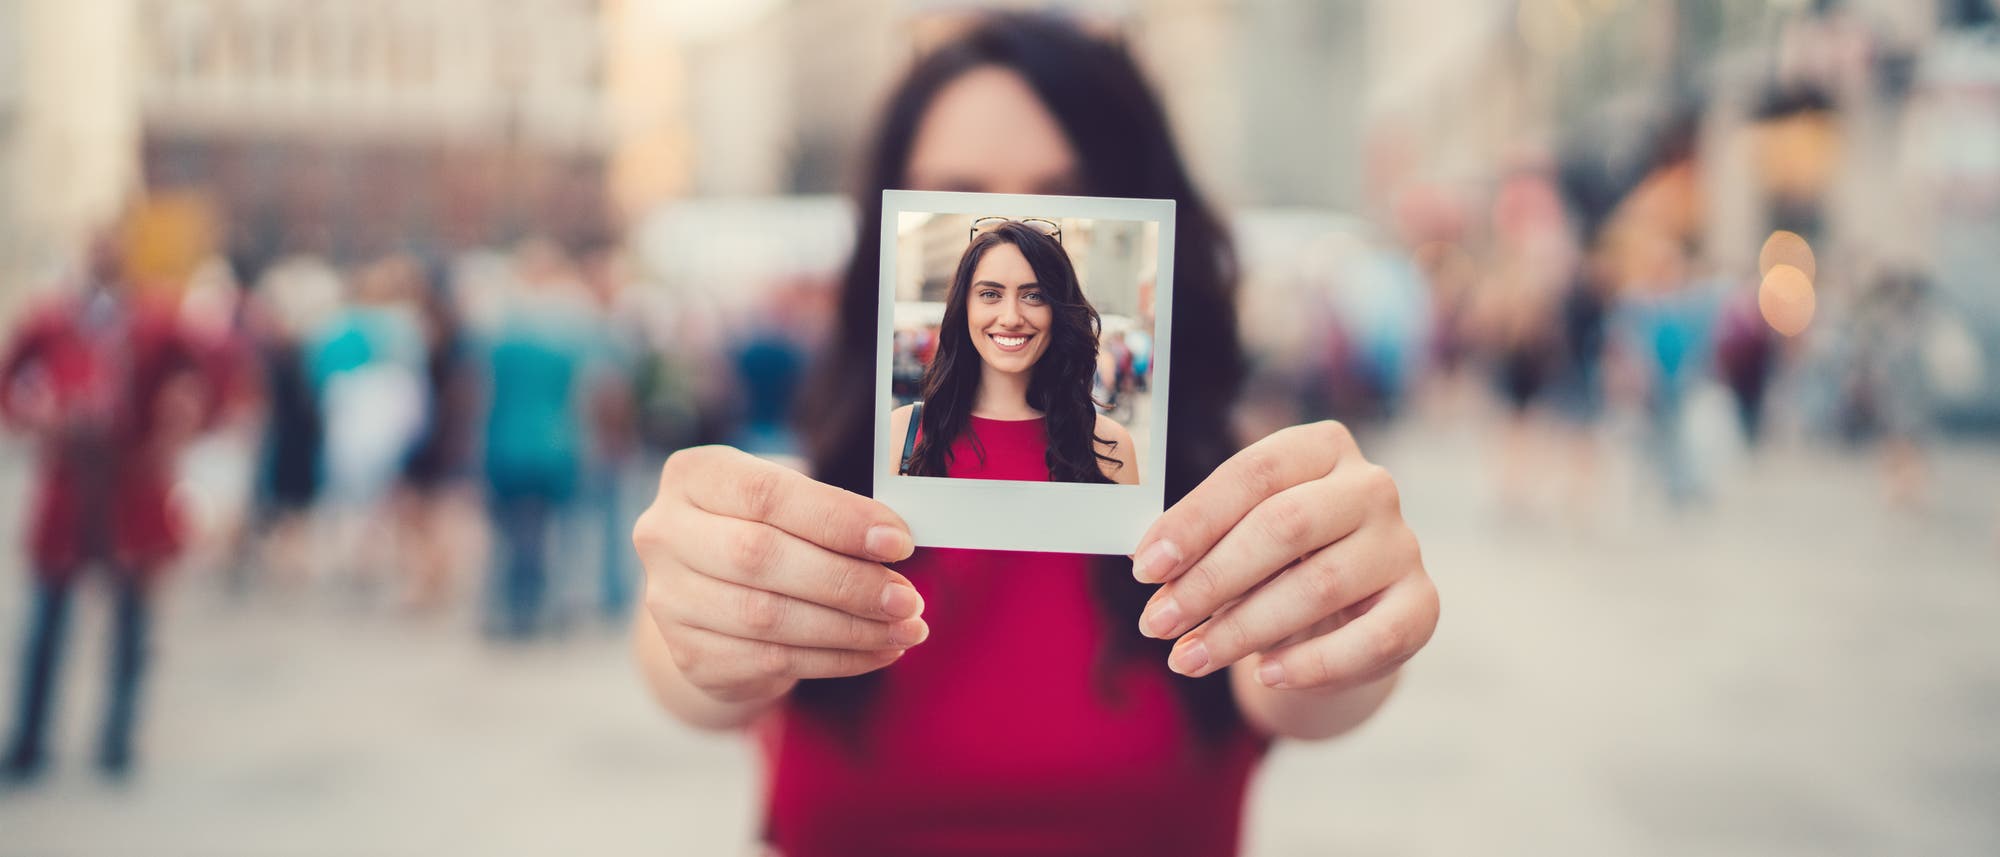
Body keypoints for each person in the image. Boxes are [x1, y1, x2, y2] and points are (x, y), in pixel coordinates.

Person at [630, 13, 1439, 856]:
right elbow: (688, 674)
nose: (1011, 291)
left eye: (1070, 201)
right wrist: (698, 612)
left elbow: (1303, 688)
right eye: (960, 201)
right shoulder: (840, 478)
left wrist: (1343, 618)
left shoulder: (1202, 497)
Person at [0, 233, 222, 780]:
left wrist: (176, 424)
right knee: (48, 621)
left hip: (131, 483)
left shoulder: (156, 320)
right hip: (70, 482)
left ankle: (117, 740)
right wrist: (37, 417)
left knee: (131, 623)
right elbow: (11, 382)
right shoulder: (53, 319)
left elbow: (208, 375)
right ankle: (31, 740)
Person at [889, 219, 1138, 485]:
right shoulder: (901, 433)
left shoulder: (1110, 447)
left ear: (1058, 311)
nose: (1011, 318)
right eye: (990, 294)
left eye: (1034, 296)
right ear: (964, 308)